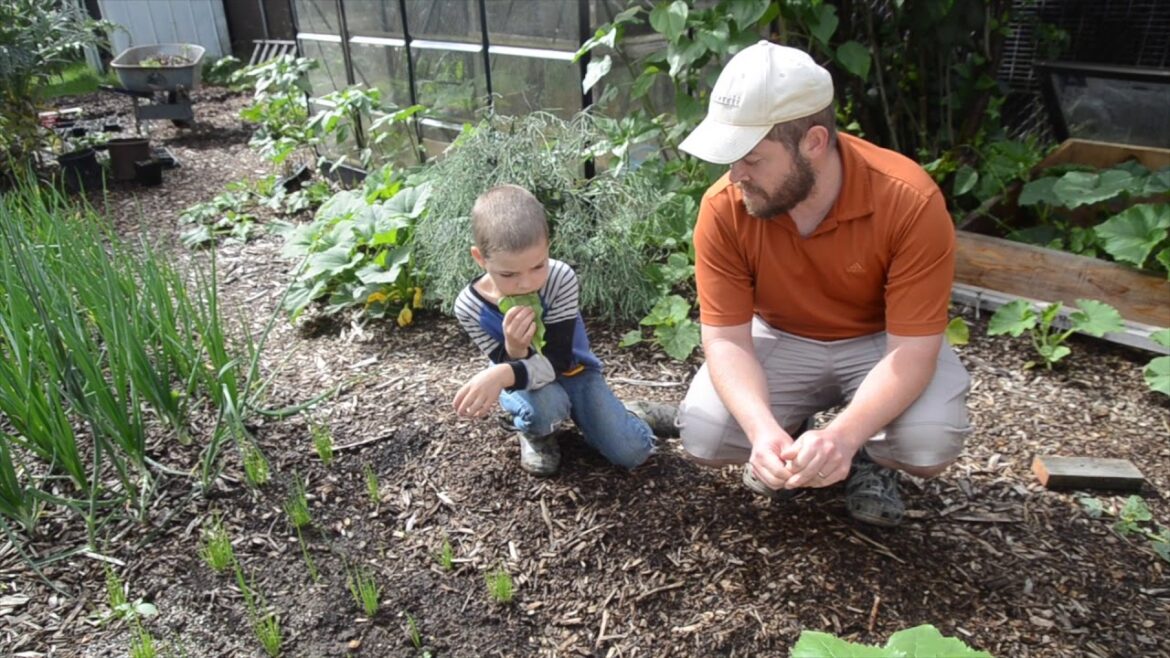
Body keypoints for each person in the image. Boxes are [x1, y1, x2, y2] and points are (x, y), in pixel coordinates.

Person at [675, 41, 972, 527]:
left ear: (813, 141)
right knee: (708, 434)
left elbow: (914, 351)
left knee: (928, 440)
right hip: (782, 337)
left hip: (881, 343)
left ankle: (868, 460)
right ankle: (789, 437)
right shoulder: (724, 207)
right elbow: (726, 340)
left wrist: (844, 437)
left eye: (751, 158)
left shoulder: (909, 200)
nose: (734, 175)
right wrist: (762, 430)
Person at [452, 184, 672, 476]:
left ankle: (631, 414)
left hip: (574, 370)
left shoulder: (559, 278)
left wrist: (502, 372)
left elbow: (559, 360)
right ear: (480, 258)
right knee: (545, 406)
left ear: (548, 246)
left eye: (537, 266)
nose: (526, 283)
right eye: (508, 274)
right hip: (527, 386)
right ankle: (536, 433)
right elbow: (507, 364)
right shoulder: (469, 307)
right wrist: (514, 350)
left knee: (632, 453)